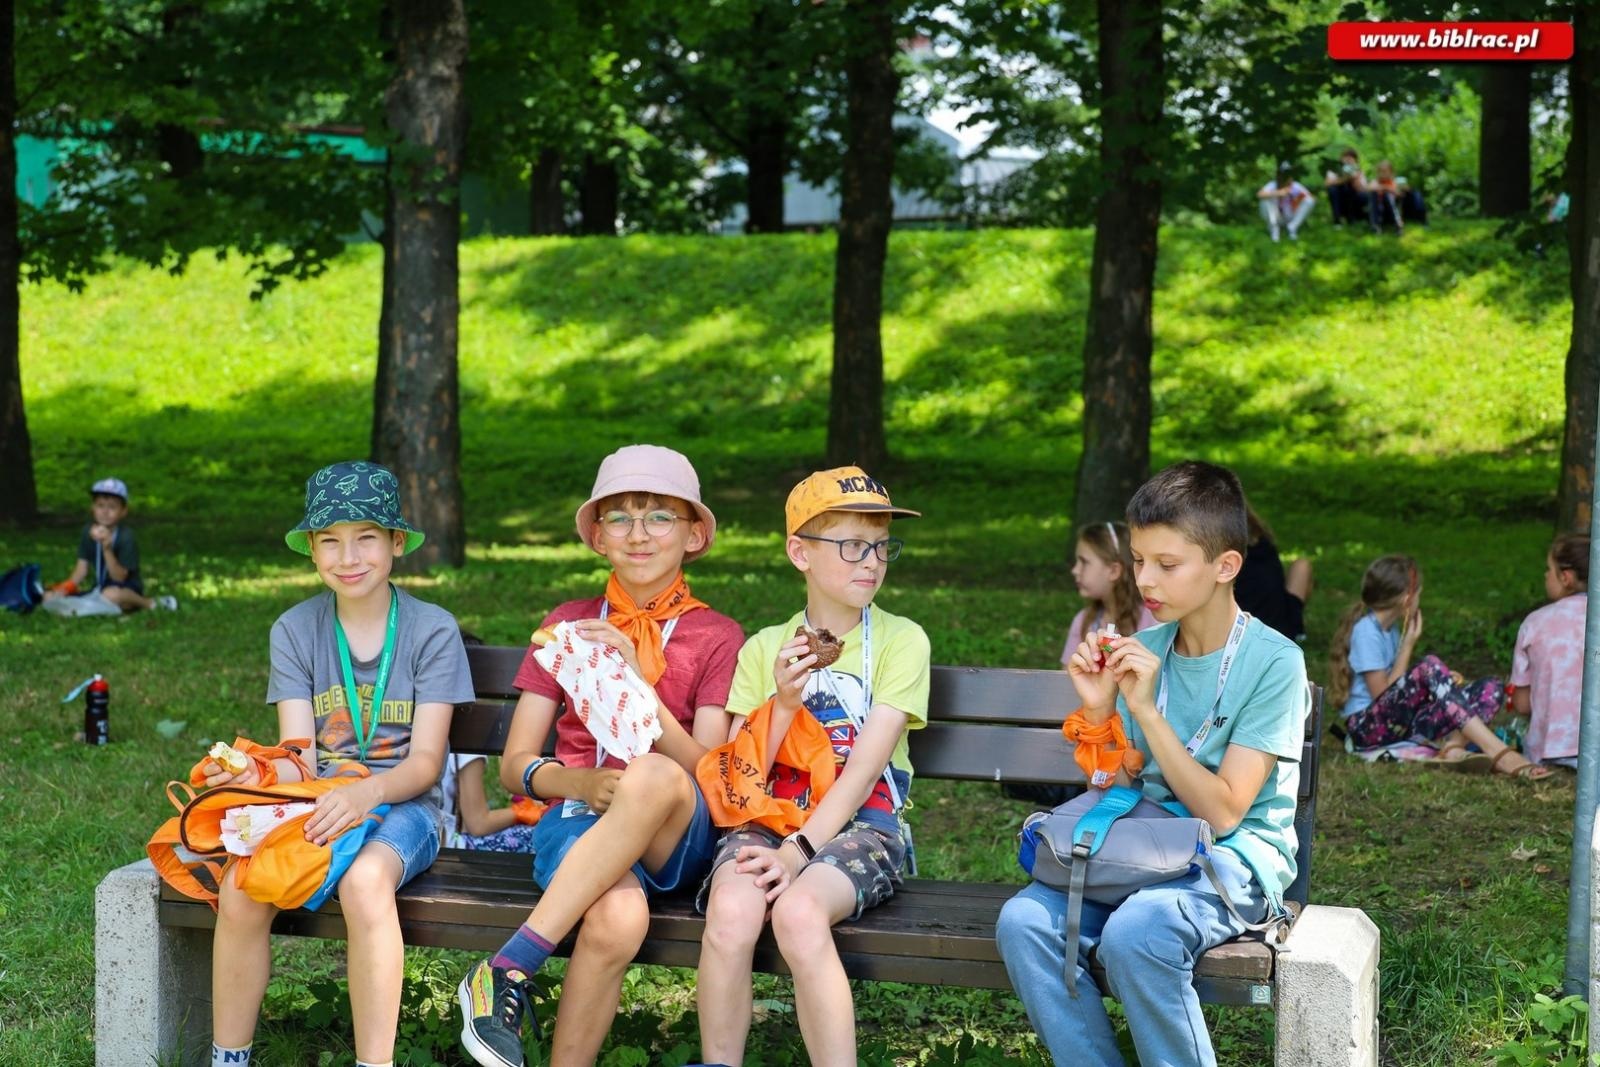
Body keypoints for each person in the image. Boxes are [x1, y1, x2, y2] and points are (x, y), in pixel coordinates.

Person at [997, 460, 1307, 1067]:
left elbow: (1223, 812)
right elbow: (1119, 786)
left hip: (1235, 857)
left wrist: (1148, 710)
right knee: (1024, 921)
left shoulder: (1274, 663)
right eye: (1139, 560)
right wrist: (1100, 710)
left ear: (1225, 567)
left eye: (1167, 564)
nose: (1146, 579)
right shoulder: (1149, 650)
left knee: (1140, 931)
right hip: (1144, 845)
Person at [457, 444, 743, 1067]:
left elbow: (711, 772)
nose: (639, 534)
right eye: (620, 517)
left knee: (653, 771)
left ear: (694, 534)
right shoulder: (567, 626)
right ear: (597, 536)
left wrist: (640, 687)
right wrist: (581, 784)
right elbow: (516, 766)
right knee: (616, 916)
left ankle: (510, 965)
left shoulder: (717, 637)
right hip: (580, 821)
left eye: (660, 517)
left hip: (676, 832)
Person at [202, 460, 474, 1067]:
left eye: (366, 537)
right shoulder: (294, 630)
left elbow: (427, 762)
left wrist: (364, 795)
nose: (348, 556)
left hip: (406, 806)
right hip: (319, 801)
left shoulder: (433, 630)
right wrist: (257, 777)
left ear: (397, 544)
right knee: (241, 887)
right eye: (330, 540)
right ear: (312, 551)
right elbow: (299, 755)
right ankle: (229, 1058)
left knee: (365, 882)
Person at [695, 466, 929, 1067]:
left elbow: (866, 768)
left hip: (864, 825)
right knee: (732, 909)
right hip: (768, 818)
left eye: (881, 547)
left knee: (799, 913)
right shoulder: (763, 648)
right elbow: (742, 773)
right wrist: (785, 705)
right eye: (852, 546)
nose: (871, 561)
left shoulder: (904, 642)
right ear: (800, 552)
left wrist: (800, 851)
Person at [1329, 554, 1550, 779]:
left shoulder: (1390, 630)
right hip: (1367, 730)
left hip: (1396, 725)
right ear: (1406, 598)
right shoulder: (1366, 631)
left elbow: (1397, 692)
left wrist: (1440, 684)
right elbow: (1382, 695)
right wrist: (1409, 647)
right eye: (1419, 594)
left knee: (1490, 687)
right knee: (1429, 666)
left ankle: (1454, 747)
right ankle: (1497, 751)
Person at [1509, 533, 1589, 770]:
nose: (1545, 575)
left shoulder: (1534, 623)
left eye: (1549, 569)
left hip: (1548, 752)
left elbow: (1522, 705)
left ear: (1565, 578)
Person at [41, 477, 177, 613]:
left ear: (123, 511)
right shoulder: (87, 532)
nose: (105, 511)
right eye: (100, 506)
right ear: (93, 508)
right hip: (100, 589)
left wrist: (107, 548)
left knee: (111, 595)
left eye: (112, 507)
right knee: (49, 596)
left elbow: (119, 577)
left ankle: (148, 603)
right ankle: (97, 606)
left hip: (125, 589)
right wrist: (65, 589)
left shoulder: (125, 536)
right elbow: (81, 570)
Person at [1062, 521, 1156, 669]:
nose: (1075, 570)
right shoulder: (1083, 622)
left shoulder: (1154, 620)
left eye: (1084, 562)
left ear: (1114, 571)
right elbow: (1067, 679)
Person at [1234, 505, 1313, 643]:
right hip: (1282, 629)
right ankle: (1297, 626)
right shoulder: (1263, 543)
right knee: (1302, 566)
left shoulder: (1220, 553)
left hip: (1242, 631)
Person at [441, 753, 545, 852]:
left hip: (439, 837)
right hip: (450, 845)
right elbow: (478, 824)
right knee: (540, 836)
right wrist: (521, 813)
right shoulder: (469, 747)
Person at [1257, 161, 1315, 242]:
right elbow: (1260, 194)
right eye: (1284, 176)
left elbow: (1310, 197)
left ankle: (1293, 227)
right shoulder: (1273, 185)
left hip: (1290, 215)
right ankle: (1274, 230)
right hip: (1276, 216)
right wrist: (1278, 193)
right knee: (1264, 201)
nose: (1287, 178)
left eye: (1289, 176)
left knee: (1309, 201)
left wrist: (1297, 200)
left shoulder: (1295, 186)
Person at [1324, 147, 1369, 225]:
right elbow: (1327, 184)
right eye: (1346, 157)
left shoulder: (1358, 172)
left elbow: (1363, 190)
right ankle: (1337, 219)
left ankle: (1353, 218)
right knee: (1333, 189)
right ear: (1341, 159)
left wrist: (1355, 178)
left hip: (1354, 200)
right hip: (1340, 199)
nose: (1348, 159)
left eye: (1352, 157)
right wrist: (1344, 179)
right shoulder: (1334, 170)